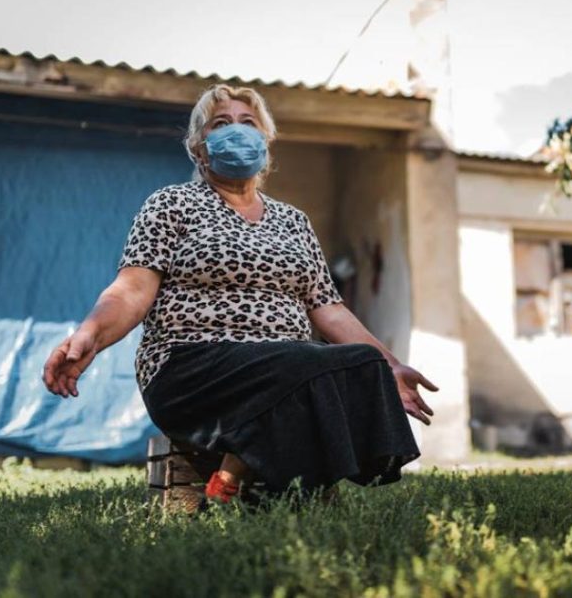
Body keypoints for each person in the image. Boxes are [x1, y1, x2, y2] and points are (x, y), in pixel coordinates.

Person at [41, 84, 436, 503]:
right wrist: (90, 335)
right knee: (303, 362)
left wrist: (389, 366)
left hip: (285, 367)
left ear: (265, 141)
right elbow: (131, 290)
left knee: (359, 360)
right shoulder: (171, 204)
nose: (237, 131)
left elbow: (329, 308)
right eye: (221, 124)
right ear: (198, 146)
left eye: (248, 123)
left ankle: (231, 477)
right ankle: (248, 476)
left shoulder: (293, 221)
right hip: (192, 365)